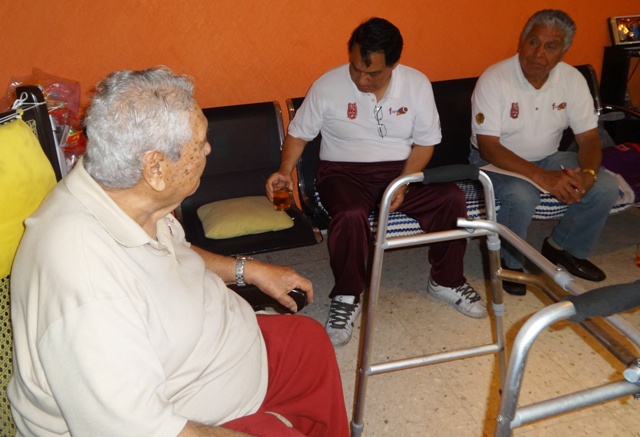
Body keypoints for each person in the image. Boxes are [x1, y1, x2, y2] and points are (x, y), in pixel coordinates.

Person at [8, 67, 349, 437]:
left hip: (222, 350)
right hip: (192, 413)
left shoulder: (121, 196)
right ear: (156, 168)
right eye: (199, 143)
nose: (208, 149)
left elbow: (177, 251)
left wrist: (248, 270)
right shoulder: (87, 290)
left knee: (308, 340)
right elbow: (141, 429)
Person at [266, 17, 487, 348]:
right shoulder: (327, 86)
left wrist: (404, 182)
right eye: (356, 69)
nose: (361, 79)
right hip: (343, 173)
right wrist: (285, 169)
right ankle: (347, 295)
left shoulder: (416, 85)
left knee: (451, 199)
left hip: (401, 171)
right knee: (350, 214)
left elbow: (425, 144)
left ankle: (446, 280)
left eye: (373, 74)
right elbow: (298, 134)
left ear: (394, 65)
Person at [470, 9, 619, 296]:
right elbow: (488, 146)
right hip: (494, 161)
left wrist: (588, 174)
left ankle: (563, 248)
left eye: (551, 46)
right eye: (533, 42)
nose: (539, 53)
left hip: (549, 156)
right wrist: (542, 177)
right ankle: (509, 262)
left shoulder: (572, 79)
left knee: (604, 186)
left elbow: (588, 138)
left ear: (562, 52)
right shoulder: (495, 78)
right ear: (522, 40)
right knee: (522, 195)